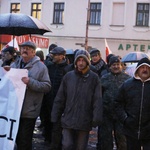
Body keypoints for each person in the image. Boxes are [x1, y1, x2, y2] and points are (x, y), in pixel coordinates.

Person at [51, 50, 103, 150]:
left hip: (84, 119)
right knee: (66, 145)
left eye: (83, 60)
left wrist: (96, 118)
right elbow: (60, 97)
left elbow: (97, 99)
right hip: (68, 118)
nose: (80, 63)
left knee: (81, 147)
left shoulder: (94, 78)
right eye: (78, 60)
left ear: (87, 62)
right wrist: (55, 114)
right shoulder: (68, 76)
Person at [10, 41, 51, 150]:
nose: (25, 50)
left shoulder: (41, 67)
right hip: (14, 110)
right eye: (23, 48)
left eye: (28, 48)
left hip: (29, 110)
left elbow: (47, 86)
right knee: (15, 139)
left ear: (34, 53)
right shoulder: (14, 65)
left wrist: (30, 82)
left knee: (25, 141)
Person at [115, 57, 150, 150]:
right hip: (131, 130)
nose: (145, 70)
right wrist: (125, 118)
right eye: (142, 67)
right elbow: (118, 103)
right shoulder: (127, 85)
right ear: (138, 69)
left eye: (147, 68)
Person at [98, 56, 131, 150]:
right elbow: (98, 95)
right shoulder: (104, 78)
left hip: (122, 115)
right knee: (105, 141)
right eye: (113, 65)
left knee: (122, 141)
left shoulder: (127, 79)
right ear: (110, 66)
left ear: (121, 66)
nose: (116, 67)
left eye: (118, 64)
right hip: (106, 115)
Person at [43, 46, 68, 149]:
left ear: (62, 56)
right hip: (48, 99)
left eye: (56, 54)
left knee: (57, 125)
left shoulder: (67, 69)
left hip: (60, 102)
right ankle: (48, 140)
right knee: (47, 121)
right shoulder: (49, 67)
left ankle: (56, 144)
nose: (53, 56)